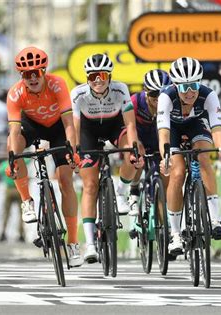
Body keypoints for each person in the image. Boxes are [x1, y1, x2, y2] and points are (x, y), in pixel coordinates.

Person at [6, 46, 82, 267]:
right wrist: (13, 157)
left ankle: (74, 242)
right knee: (14, 144)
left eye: (36, 73)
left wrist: (73, 152)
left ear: (44, 71)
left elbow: (69, 124)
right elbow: (13, 130)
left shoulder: (58, 83)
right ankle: (26, 201)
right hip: (31, 127)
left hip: (58, 128)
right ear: (21, 76)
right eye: (26, 75)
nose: (32, 78)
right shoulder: (15, 93)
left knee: (66, 180)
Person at [71, 53, 143, 263]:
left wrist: (133, 149)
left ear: (109, 76)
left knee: (132, 151)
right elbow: (75, 127)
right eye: (93, 77)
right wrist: (75, 152)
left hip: (115, 125)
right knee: (90, 185)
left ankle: (121, 191)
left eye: (102, 75)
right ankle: (91, 244)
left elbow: (130, 124)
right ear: (87, 78)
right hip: (88, 131)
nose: (98, 81)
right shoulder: (78, 94)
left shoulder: (121, 89)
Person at [157, 57, 221, 256]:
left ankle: (215, 219)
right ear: (175, 86)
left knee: (204, 157)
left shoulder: (209, 95)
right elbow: (163, 132)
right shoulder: (166, 97)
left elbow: (216, 128)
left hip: (197, 125)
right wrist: (165, 158)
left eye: (194, 85)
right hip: (172, 130)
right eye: (184, 88)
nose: (190, 92)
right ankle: (175, 233)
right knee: (178, 172)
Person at [128, 69, 171, 216]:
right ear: (146, 92)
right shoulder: (136, 101)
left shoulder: (173, 103)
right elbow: (128, 126)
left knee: (165, 186)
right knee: (137, 156)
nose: (158, 98)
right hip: (140, 136)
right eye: (154, 94)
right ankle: (134, 190)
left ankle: (164, 230)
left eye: (162, 94)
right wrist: (136, 143)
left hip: (160, 139)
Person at [0, 158, 25, 242]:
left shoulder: (4, 164)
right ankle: (21, 234)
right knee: (22, 213)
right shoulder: (20, 163)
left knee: (6, 213)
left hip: (9, 189)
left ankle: (3, 232)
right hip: (19, 189)